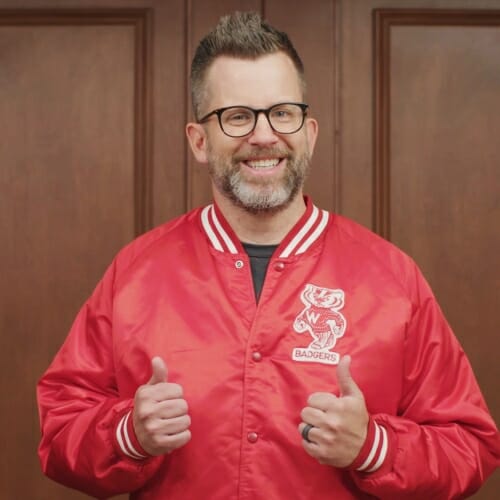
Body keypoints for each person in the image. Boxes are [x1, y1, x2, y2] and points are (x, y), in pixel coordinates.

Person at [37, 11, 499, 500]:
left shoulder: (391, 278)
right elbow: (60, 431)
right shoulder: (135, 273)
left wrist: (375, 447)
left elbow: (470, 446)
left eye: (282, 112)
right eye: (237, 116)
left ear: (310, 132)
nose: (263, 135)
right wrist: (127, 436)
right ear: (198, 141)